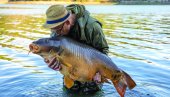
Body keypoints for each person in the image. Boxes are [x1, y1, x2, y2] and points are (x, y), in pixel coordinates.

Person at [43, 4, 109, 94]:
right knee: (69, 92)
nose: (56, 33)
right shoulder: (57, 28)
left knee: (90, 93)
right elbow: (52, 49)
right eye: (53, 30)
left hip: (90, 71)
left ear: (68, 22)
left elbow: (103, 51)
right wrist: (49, 60)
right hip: (70, 71)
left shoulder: (92, 26)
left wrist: (99, 73)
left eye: (58, 30)